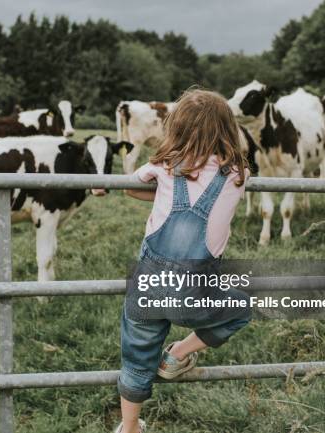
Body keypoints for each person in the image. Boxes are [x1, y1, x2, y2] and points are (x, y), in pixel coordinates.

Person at [116, 89, 252, 433]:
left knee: (135, 358)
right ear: (226, 129)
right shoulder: (237, 175)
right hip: (193, 292)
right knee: (241, 308)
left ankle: (130, 427)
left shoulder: (163, 166)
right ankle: (178, 354)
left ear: (176, 128)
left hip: (148, 286)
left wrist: (163, 188)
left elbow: (130, 188)